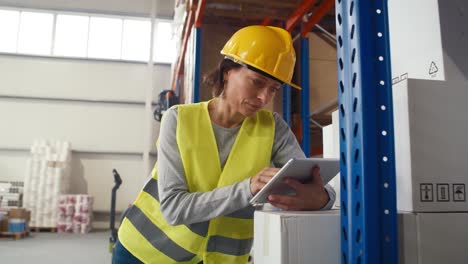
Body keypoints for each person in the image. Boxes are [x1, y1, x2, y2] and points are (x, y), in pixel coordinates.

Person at [113, 25, 336, 264]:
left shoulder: (274, 128)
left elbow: (316, 185)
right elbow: (173, 208)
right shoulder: (178, 119)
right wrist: (248, 188)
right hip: (146, 253)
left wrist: (322, 198)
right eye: (257, 82)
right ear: (228, 71)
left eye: (273, 89)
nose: (264, 98)